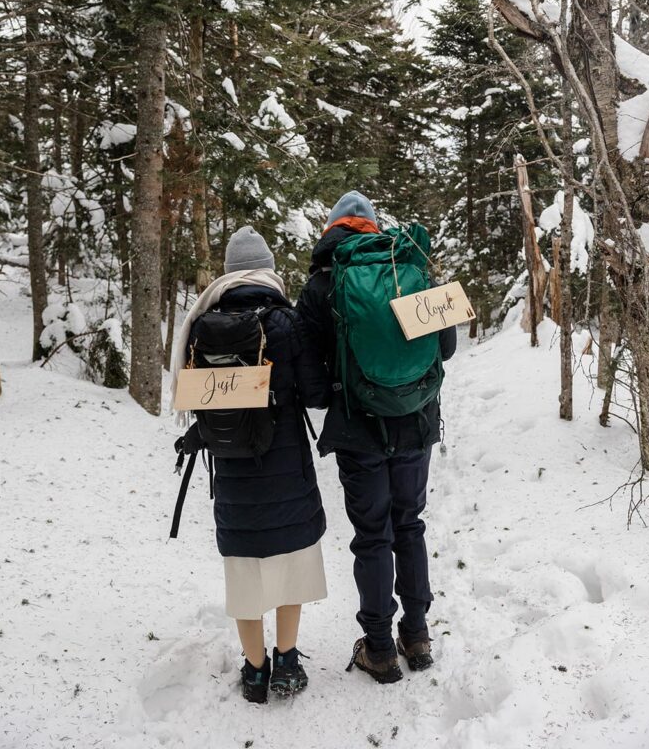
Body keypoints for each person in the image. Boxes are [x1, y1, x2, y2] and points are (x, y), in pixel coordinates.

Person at [296, 192, 457, 684]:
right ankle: (418, 634)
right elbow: (445, 348)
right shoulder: (410, 267)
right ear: (373, 228)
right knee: (409, 525)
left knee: (373, 536)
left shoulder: (321, 285)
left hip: (358, 430)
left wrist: (344, 391)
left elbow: (312, 386)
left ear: (331, 230)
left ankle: (381, 649)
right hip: (414, 421)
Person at [171, 226, 328, 704]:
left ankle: (255, 670)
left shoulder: (202, 323)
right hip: (285, 465)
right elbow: (316, 393)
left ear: (228, 273)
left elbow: (198, 399)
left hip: (234, 473)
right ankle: (286, 663)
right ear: (268, 270)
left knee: (243, 570)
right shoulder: (285, 320)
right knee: (291, 562)